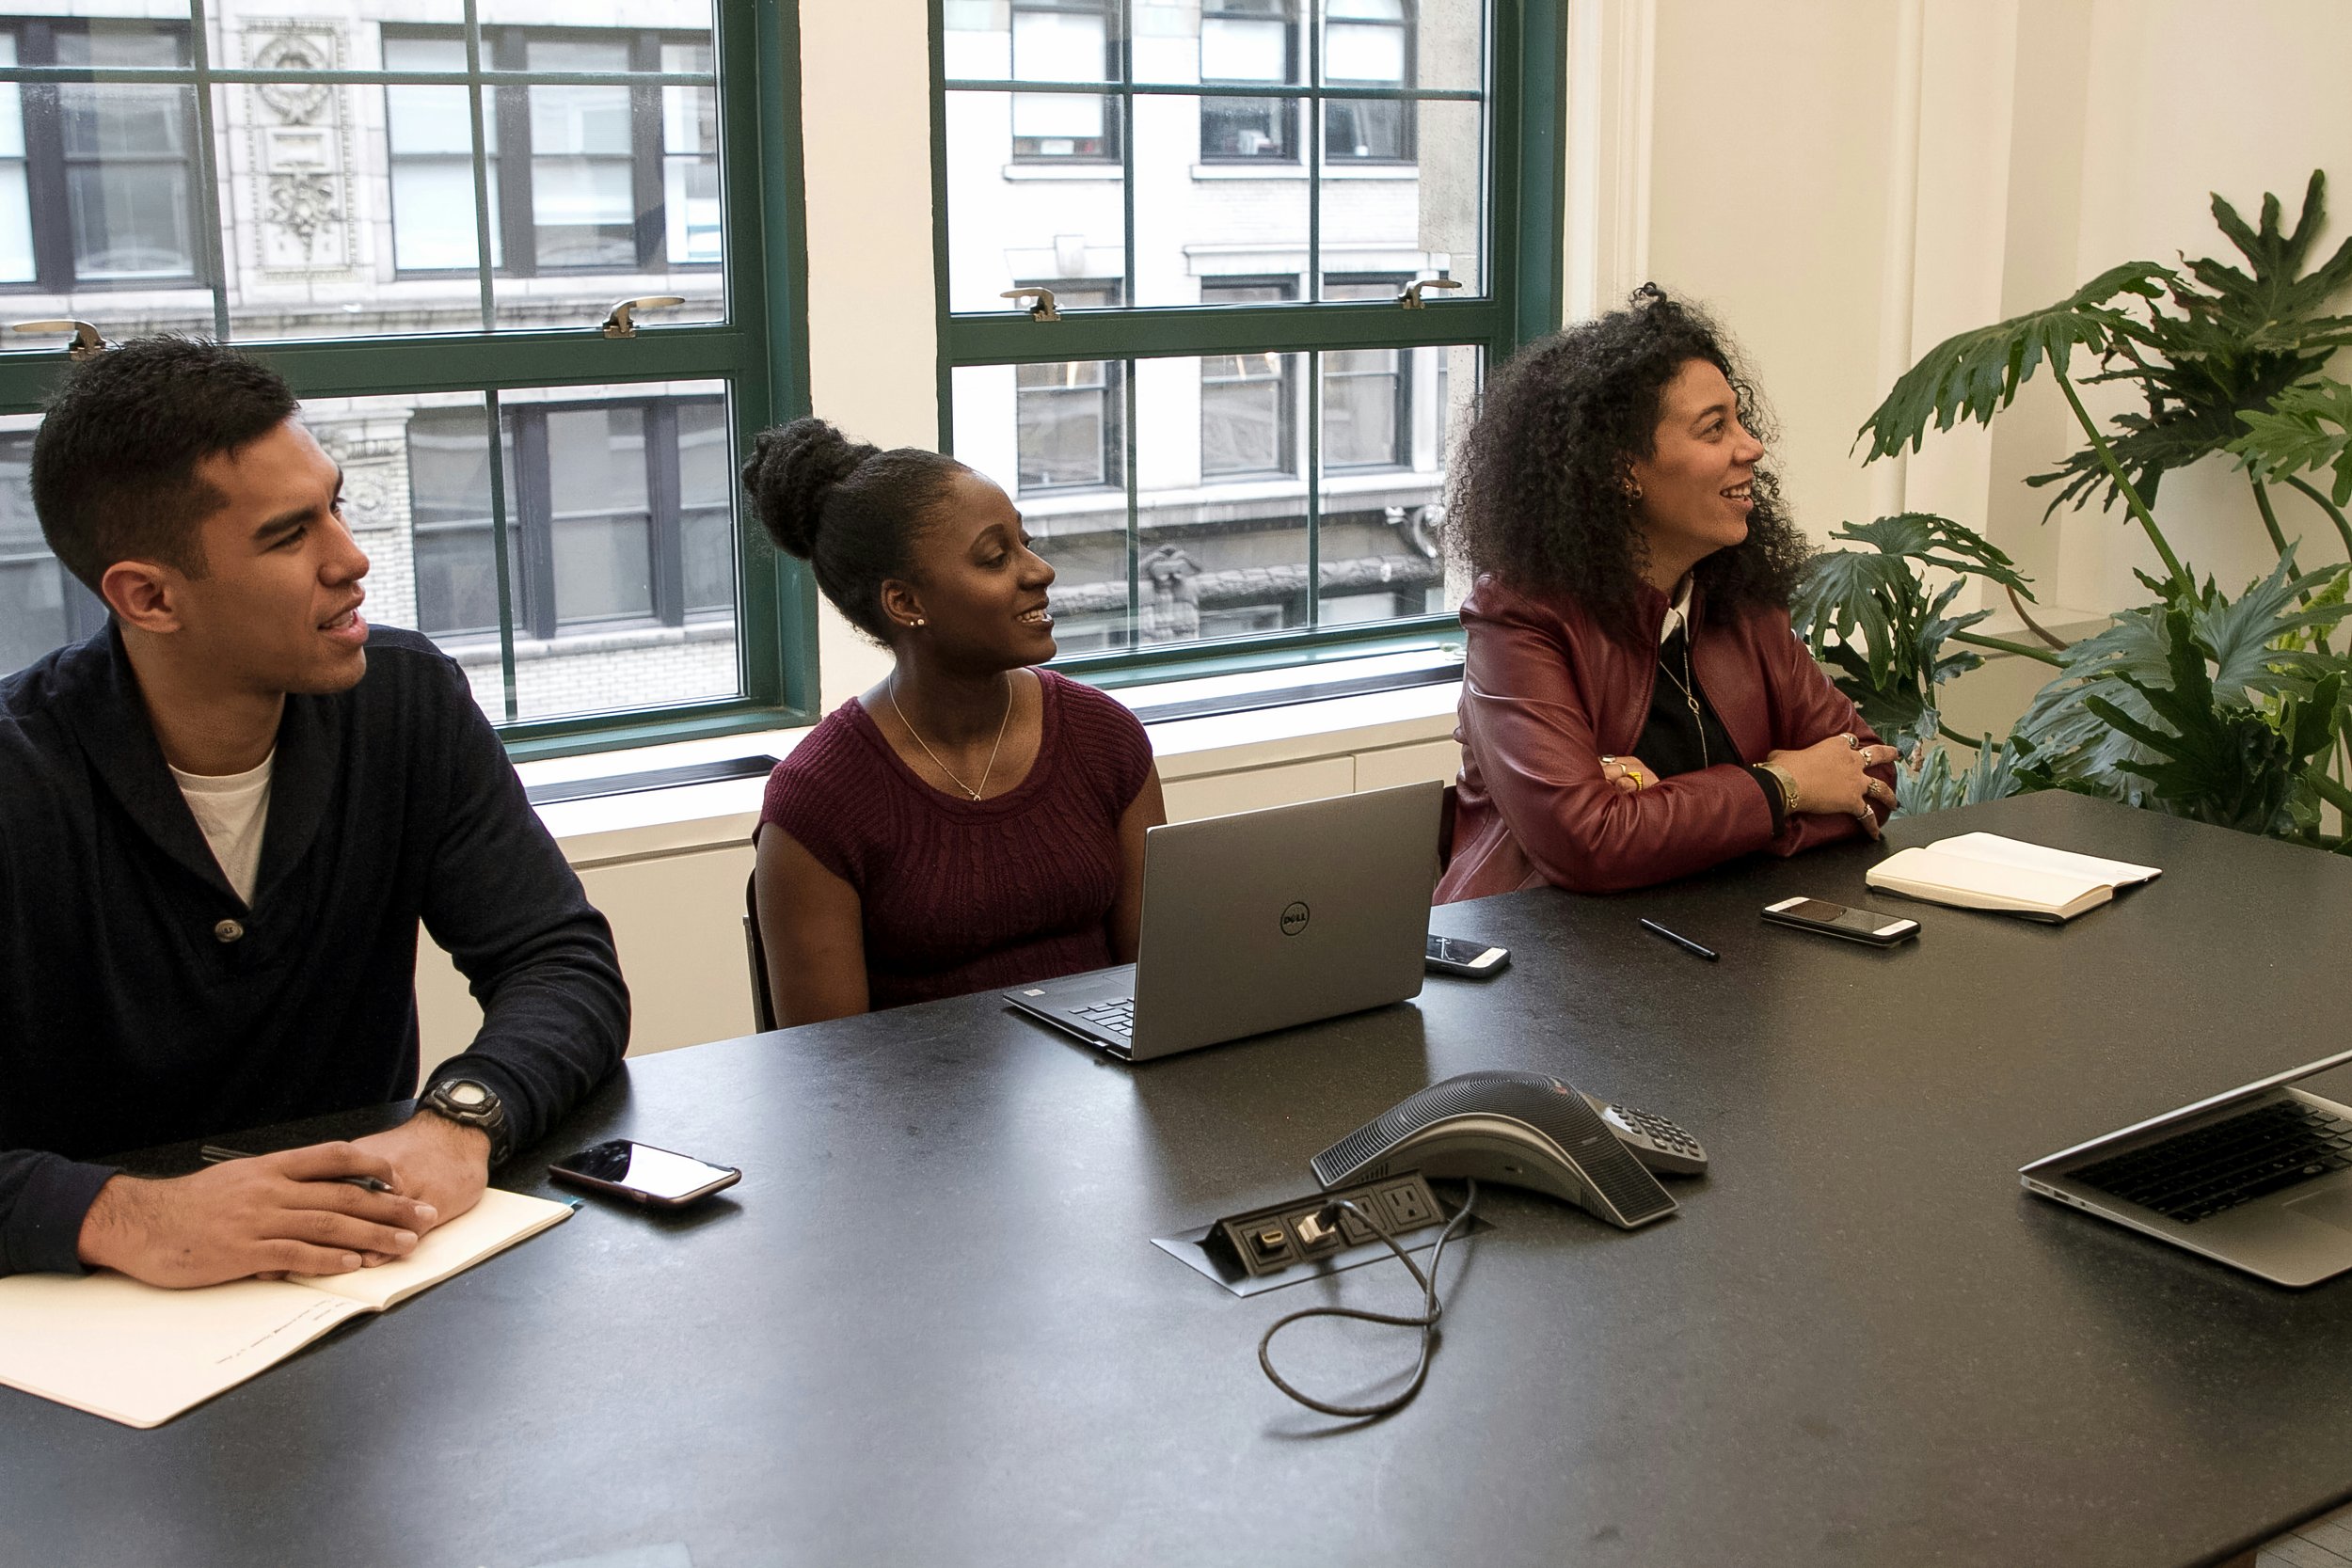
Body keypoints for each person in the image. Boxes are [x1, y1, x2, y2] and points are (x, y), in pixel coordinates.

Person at [0, 338, 628, 1283]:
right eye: (289, 535)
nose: (352, 557)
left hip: (359, 1287)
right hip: (93, 1333)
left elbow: (560, 962)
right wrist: (124, 1214)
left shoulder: (405, 702)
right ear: (148, 595)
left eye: (334, 505)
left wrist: (461, 1117)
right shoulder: (19, 775)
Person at [1435, 288, 1898, 899]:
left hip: (1707, 955)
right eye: (1714, 429)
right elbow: (1589, 843)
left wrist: (1681, 825)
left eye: (1740, 419)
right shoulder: (1518, 620)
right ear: (1623, 468)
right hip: (1534, 970)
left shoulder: (1744, 605)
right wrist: (1782, 786)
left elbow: (1869, 770)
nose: (1751, 446)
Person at [741, 417, 1165, 1024]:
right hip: (923, 1114)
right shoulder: (820, 801)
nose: (1039, 571)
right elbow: (828, 1070)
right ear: (906, 602)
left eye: (1027, 541)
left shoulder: (1103, 736)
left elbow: (1158, 985)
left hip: (1111, 1096)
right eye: (995, 557)